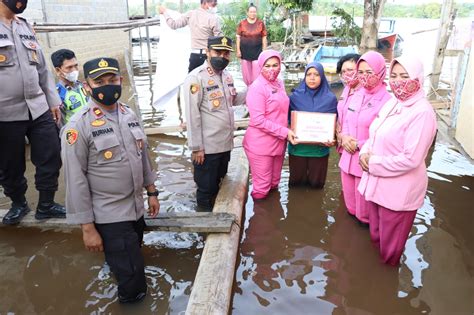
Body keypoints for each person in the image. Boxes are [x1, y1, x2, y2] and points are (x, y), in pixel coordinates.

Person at [61, 57, 160, 303]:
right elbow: (75, 180)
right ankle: (132, 303)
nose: (108, 85)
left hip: (136, 208)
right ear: (87, 86)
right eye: (100, 81)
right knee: (134, 279)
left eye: (112, 80)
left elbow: (142, 156)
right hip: (110, 215)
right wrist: (87, 228)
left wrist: (152, 191)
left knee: (129, 260)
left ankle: (119, 276)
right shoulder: (78, 126)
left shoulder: (129, 114)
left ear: (121, 80)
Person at [358, 56, 437, 266]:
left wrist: (372, 163)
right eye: (393, 76)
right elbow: (374, 133)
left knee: (390, 250)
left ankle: (386, 284)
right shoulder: (393, 102)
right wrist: (364, 152)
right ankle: (376, 283)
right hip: (376, 185)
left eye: (404, 76)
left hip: (399, 194)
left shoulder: (422, 113)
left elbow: (411, 159)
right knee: (375, 237)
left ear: (418, 78)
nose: (398, 81)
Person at [0, 0, 66, 225]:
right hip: (5, 113)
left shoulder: (26, 27)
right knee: (10, 166)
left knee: (51, 155)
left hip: (38, 108)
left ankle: (46, 205)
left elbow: (42, 68)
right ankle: (19, 204)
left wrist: (53, 101)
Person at [183, 36, 246, 211]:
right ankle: (203, 229)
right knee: (205, 190)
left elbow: (233, 100)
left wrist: (253, 90)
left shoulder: (226, 76)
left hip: (225, 144)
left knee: (219, 183)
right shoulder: (196, 78)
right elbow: (192, 114)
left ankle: (216, 215)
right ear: (208, 52)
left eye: (226, 53)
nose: (222, 56)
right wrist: (197, 147)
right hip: (207, 149)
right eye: (218, 52)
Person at [338, 51, 391, 224]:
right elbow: (346, 118)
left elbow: (386, 134)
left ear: (381, 72)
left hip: (366, 160)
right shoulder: (357, 94)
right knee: (350, 208)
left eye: (370, 72)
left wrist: (359, 145)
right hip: (347, 158)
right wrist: (344, 137)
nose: (364, 76)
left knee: (364, 215)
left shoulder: (388, 101)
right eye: (361, 72)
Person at [243, 50, 297, 200]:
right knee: (261, 188)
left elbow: (281, 110)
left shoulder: (279, 83)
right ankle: (260, 219)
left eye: (275, 65)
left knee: (274, 183)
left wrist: (290, 127)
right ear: (260, 66)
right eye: (267, 65)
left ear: (280, 65)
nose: (272, 69)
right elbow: (258, 120)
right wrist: (285, 132)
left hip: (279, 142)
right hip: (261, 145)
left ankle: (273, 218)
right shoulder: (257, 88)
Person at [288, 62, 337, 188]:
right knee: (296, 186)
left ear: (322, 77)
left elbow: (334, 125)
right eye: (309, 74)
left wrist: (333, 140)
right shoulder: (294, 97)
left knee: (317, 186)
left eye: (316, 74)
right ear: (304, 77)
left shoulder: (330, 99)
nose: (312, 77)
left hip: (319, 151)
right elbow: (288, 122)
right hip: (298, 150)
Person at [159, 0, 222, 73]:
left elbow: (173, 25)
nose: (215, 7)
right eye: (214, 5)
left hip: (194, 56)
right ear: (205, 3)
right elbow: (219, 40)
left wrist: (165, 13)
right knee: (211, 81)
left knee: (192, 81)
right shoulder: (213, 18)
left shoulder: (190, 14)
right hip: (208, 57)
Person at [51, 49, 88, 125]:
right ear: (58, 70)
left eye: (76, 66)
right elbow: (59, 124)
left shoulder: (81, 85)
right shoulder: (57, 95)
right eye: (69, 67)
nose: (74, 70)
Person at [335, 53, 361, 155]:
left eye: (350, 70)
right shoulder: (346, 89)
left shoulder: (365, 93)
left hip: (354, 145)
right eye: (343, 72)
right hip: (342, 144)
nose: (347, 74)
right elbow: (341, 112)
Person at [236, 3, 267, 86]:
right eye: (251, 12)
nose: (253, 13)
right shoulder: (242, 24)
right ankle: (249, 89)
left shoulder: (260, 23)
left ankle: (256, 89)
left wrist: (264, 51)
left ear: (256, 12)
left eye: (254, 12)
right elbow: (238, 37)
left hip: (257, 52)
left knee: (257, 73)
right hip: (245, 52)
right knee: (246, 74)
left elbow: (264, 37)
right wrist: (238, 50)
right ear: (247, 13)